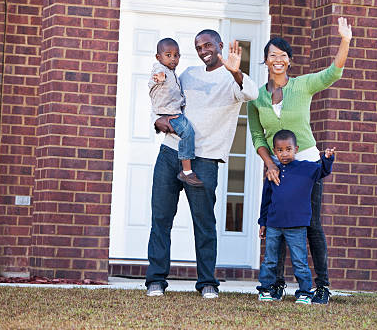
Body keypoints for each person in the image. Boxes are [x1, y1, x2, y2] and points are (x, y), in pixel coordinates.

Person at [145, 30, 259, 298]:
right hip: (170, 154)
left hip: (205, 160)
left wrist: (236, 71)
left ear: (219, 45)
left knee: (204, 223)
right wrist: (157, 122)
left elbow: (251, 93)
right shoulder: (187, 74)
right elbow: (164, 100)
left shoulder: (232, 80)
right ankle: (156, 280)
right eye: (198, 46)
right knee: (161, 218)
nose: (203, 50)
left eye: (208, 45)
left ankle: (207, 282)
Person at [248, 17, 352, 304]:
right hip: (276, 166)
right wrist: (269, 164)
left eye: (283, 56)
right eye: (272, 55)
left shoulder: (303, 85)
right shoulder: (255, 96)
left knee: (312, 225)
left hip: (305, 164)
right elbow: (257, 135)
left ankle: (322, 287)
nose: (277, 60)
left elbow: (333, 73)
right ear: (265, 61)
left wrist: (345, 40)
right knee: (276, 222)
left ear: (289, 62)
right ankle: (277, 284)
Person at [257, 130, 335, 305]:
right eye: (280, 150)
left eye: (288, 149)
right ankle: (265, 289)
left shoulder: (306, 168)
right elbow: (266, 200)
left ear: (296, 149)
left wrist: (328, 158)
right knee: (270, 259)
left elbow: (323, 171)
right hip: (274, 224)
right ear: (274, 151)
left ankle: (304, 292)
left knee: (299, 261)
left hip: (297, 225)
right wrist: (263, 222)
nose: (284, 153)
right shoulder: (273, 171)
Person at [148, 38, 203, 187]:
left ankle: (186, 169)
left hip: (172, 111)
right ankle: (186, 172)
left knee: (187, 132)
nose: (173, 58)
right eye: (168, 55)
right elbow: (157, 76)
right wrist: (160, 77)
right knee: (187, 132)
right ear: (158, 57)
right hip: (168, 113)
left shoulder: (173, 72)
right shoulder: (160, 69)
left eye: (176, 55)